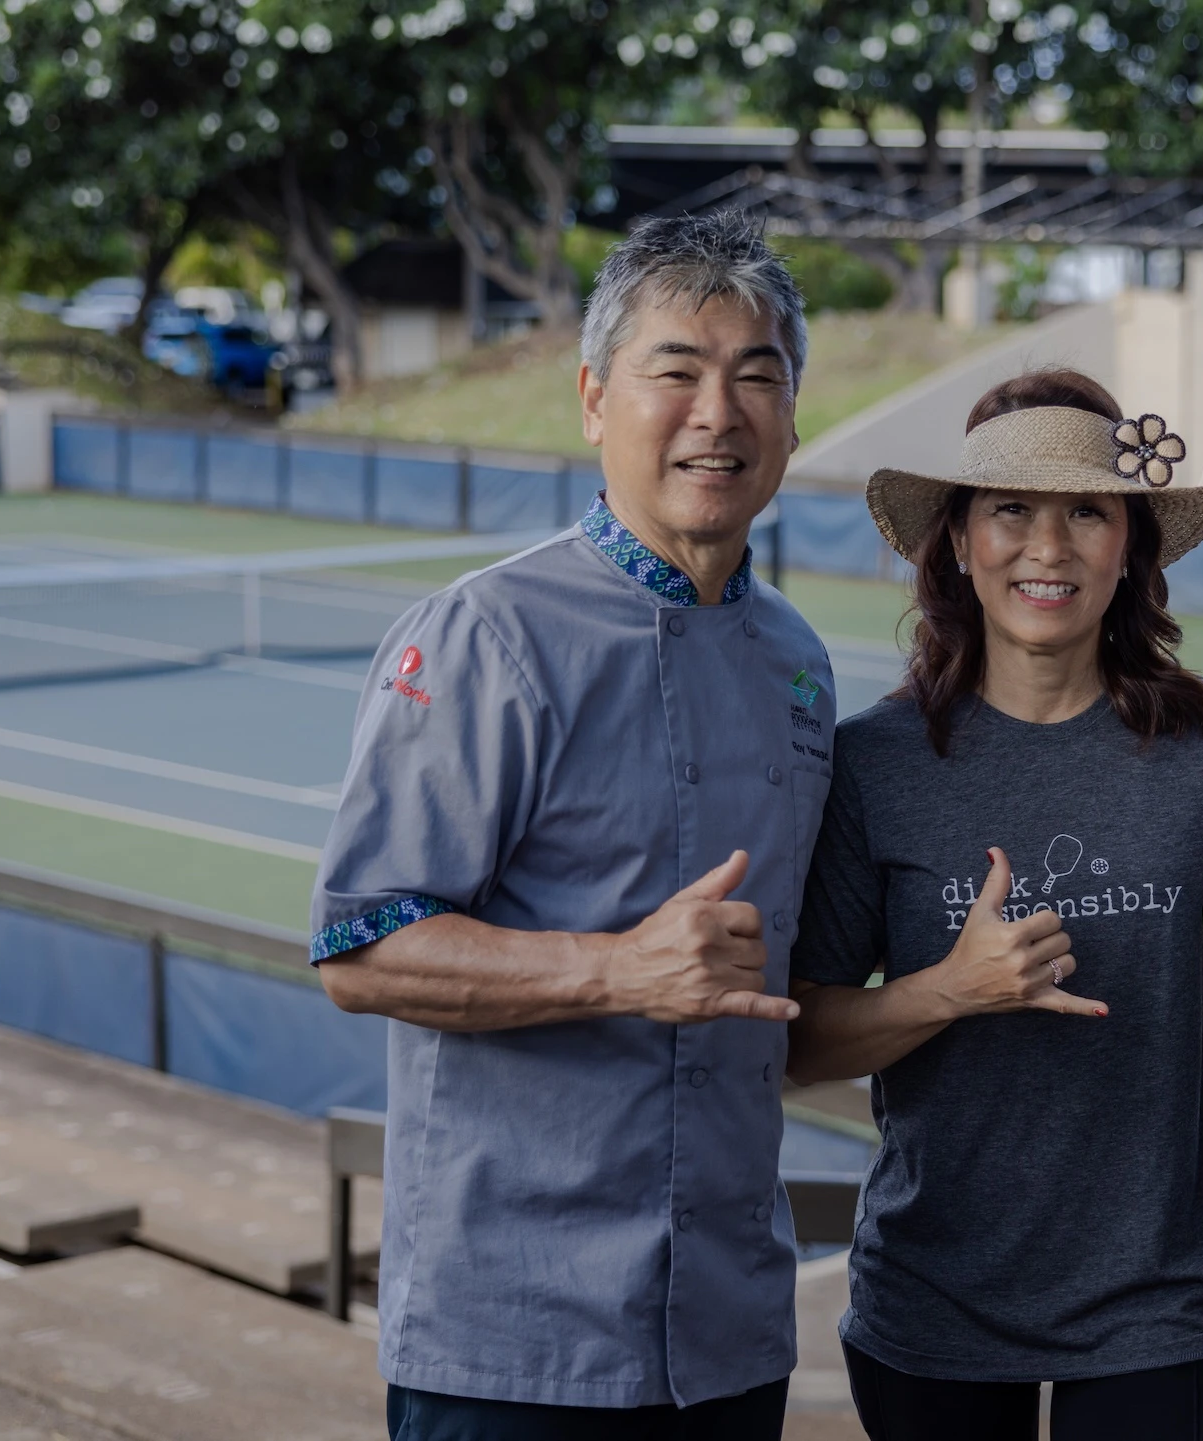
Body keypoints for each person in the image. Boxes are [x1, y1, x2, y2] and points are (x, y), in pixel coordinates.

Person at [309, 212, 835, 1441]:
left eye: (759, 374)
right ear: (596, 398)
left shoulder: (797, 662)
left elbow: (783, 993)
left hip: (727, 1335)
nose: (721, 410)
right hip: (514, 1344)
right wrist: (615, 966)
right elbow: (361, 946)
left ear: (795, 416)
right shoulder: (489, 635)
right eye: (678, 370)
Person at [787, 370, 1203, 1441]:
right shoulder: (874, 764)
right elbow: (801, 1041)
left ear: (1130, 544)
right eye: (1010, 511)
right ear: (956, 540)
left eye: (1087, 510)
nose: (1049, 547)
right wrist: (950, 991)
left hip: (1151, 1304)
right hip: (933, 1299)